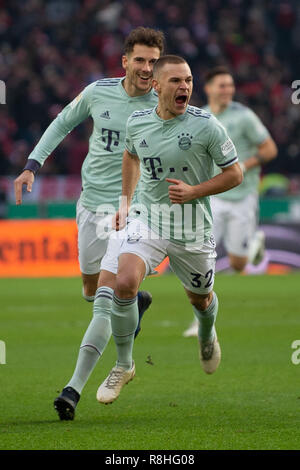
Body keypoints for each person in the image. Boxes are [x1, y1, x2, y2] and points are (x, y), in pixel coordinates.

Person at [13, 27, 165, 420]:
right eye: (141, 60)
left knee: (104, 299)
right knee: (91, 289)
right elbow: (62, 122)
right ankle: (131, 313)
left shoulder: (163, 102)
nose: (147, 68)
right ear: (125, 61)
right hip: (91, 204)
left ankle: (73, 389)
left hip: (132, 209)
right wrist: (32, 165)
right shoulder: (98, 92)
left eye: (153, 62)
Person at [95, 55, 243, 405]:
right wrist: (125, 201)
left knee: (200, 298)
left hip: (191, 226)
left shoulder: (207, 126)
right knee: (125, 281)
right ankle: (124, 364)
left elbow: (235, 174)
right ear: (158, 86)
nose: (185, 87)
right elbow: (130, 156)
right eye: (176, 81)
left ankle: (206, 333)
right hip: (149, 217)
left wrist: (194, 191)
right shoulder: (138, 122)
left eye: (189, 80)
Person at [183, 66, 278, 338]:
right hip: (212, 196)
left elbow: (270, 149)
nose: (228, 90)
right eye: (222, 86)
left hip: (242, 195)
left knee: (237, 265)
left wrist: (245, 165)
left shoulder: (244, 116)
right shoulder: (199, 117)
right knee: (204, 259)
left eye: (230, 86)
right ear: (210, 88)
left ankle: (254, 242)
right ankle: (199, 320)